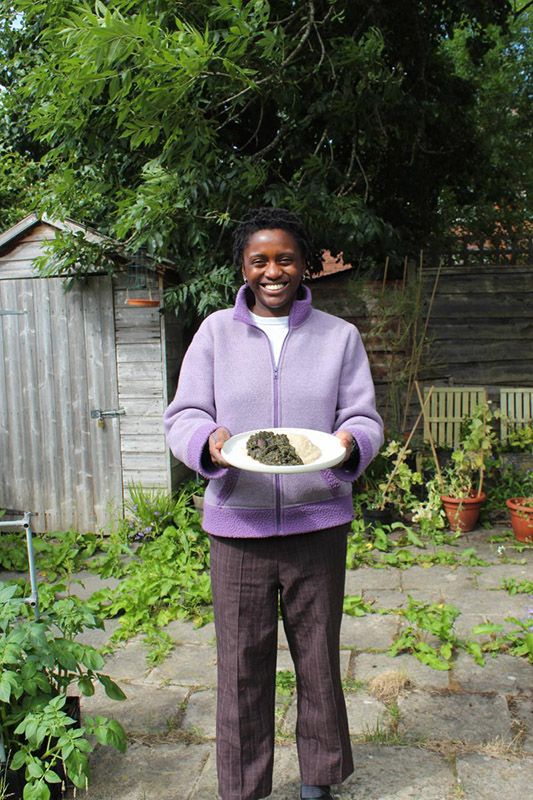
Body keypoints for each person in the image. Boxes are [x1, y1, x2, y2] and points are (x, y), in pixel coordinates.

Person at [164, 208, 384, 800]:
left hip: (319, 521)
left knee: (318, 660)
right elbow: (184, 414)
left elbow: (362, 417)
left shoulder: (339, 336)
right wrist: (205, 443)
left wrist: (348, 444)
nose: (272, 270)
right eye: (259, 259)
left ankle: (320, 780)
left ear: (303, 263)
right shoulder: (214, 332)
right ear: (243, 265)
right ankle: (243, 787)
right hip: (238, 527)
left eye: (284, 257)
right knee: (240, 670)